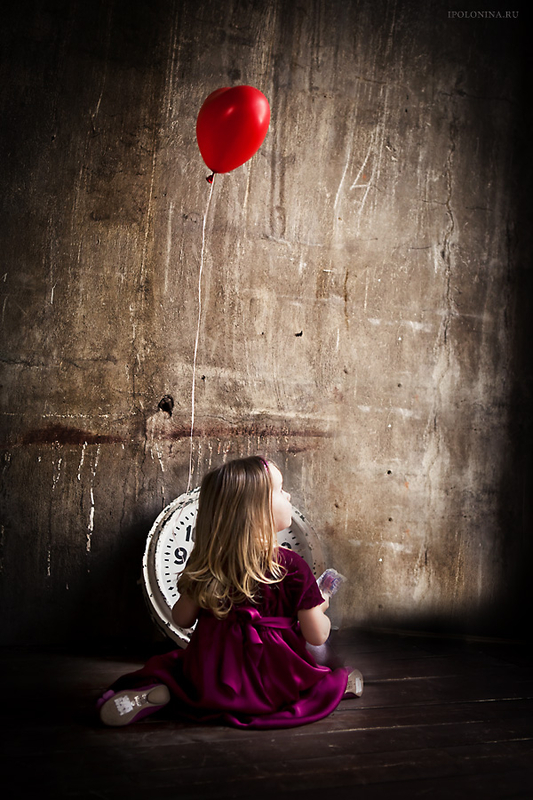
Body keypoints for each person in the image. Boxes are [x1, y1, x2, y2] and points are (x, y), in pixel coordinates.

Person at [97, 456, 363, 729]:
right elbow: (317, 635)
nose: (288, 495)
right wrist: (321, 605)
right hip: (272, 683)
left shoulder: (207, 562)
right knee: (324, 676)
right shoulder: (292, 566)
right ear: (257, 510)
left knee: (176, 668)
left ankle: (166, 693)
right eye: (280, 489)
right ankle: (342, 685)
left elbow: (182, 619)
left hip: (209, 678)